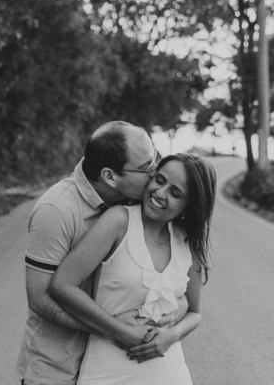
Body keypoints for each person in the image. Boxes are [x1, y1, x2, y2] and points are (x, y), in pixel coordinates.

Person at [17, 121, 166, 385]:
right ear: (110, 177)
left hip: (112, 368)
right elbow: (39, 298)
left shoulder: (133, 203)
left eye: (154, 161)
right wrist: (115, 331)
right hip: (57, 369)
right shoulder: (56, 210)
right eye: (146, 168)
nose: (154, 174)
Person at [48, 154, 217, 385]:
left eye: (175, 193)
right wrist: (120, 331)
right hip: (107, 370)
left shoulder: (188, 242)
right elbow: (62, 285)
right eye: (159, 180)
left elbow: (194, 313)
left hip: (168, 371)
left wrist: (172, 335)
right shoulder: (119, 221)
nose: (160, 193)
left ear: (190, 205)